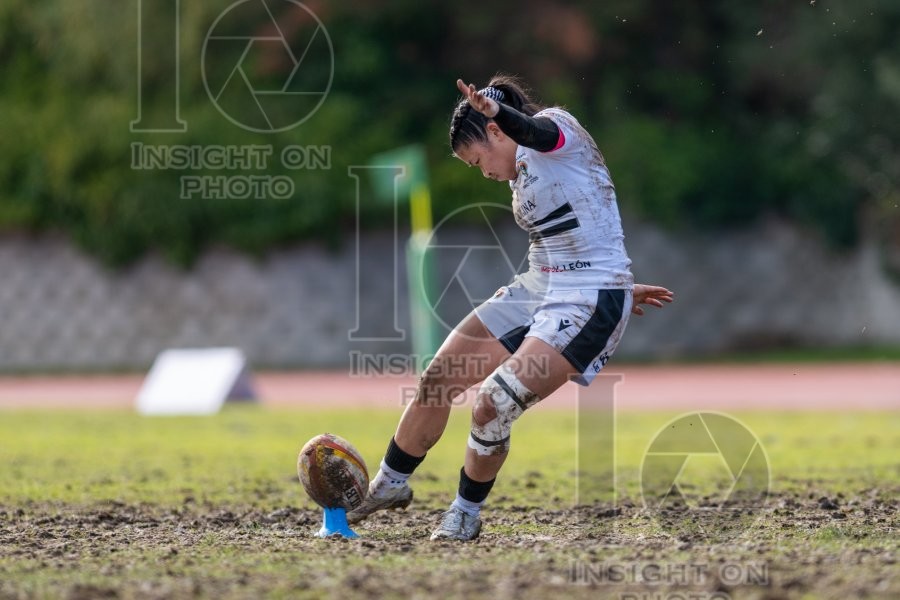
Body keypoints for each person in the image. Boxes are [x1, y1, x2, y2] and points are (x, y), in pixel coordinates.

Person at [347, 75, 673, 541]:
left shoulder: (555, 129)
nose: (482, 172)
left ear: (497, 131)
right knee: (438, 378)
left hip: (586, 298)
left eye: (478, 159)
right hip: (540, 286)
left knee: (492, 403)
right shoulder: (520, 172)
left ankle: (464, 515)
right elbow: (585, 224)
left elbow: (539, 135)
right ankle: (389, 484)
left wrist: (613, 287)